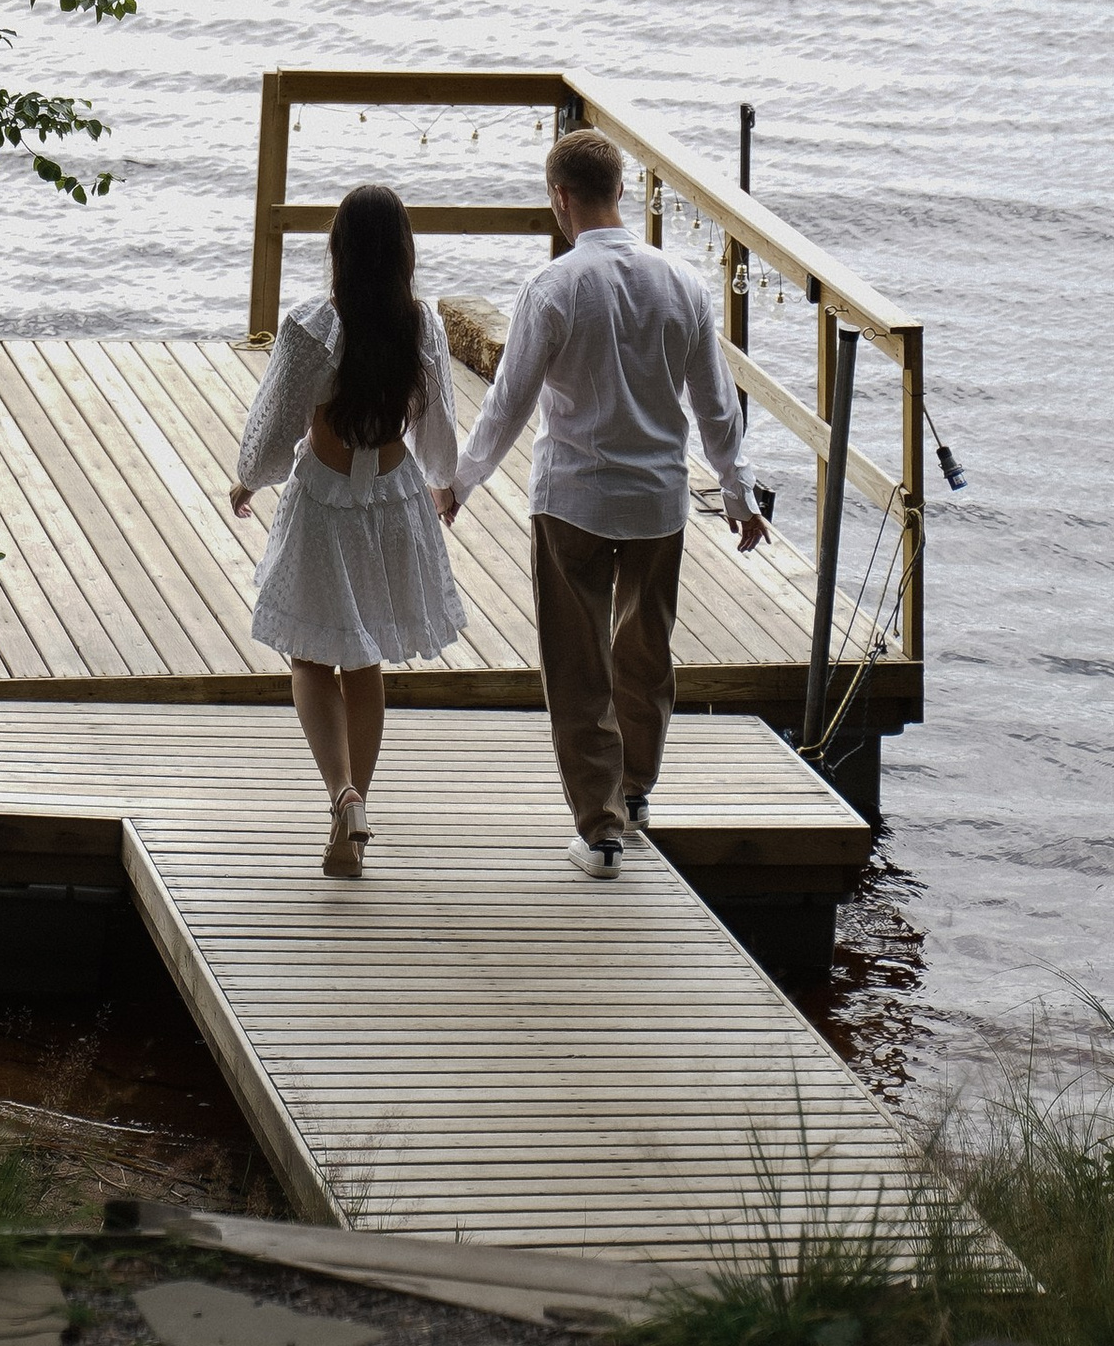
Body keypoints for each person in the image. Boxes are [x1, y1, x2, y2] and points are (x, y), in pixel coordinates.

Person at [436, 118, 768, 878]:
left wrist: (460, 481)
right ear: (621, 190)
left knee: (579, 664)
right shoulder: (681, 282)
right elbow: (716, 406)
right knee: (646, 653)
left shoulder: (554, 287)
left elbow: (509, 403)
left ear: (560, 199)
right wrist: (740, 493)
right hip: (658, 499)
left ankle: (600, 829)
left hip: (574, 499)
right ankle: (637, 792)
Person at [228, 182, 466, 878]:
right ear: (402, 252)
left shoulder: (312, 325)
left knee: (310, 655)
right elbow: (439, 426)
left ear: (338, 249)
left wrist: (251, 476)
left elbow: (275, 427)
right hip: (392, 501)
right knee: (365, 663)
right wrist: (444, 481)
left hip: (325, 501)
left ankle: (343, 797)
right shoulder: (422, 326)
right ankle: (354, 811)